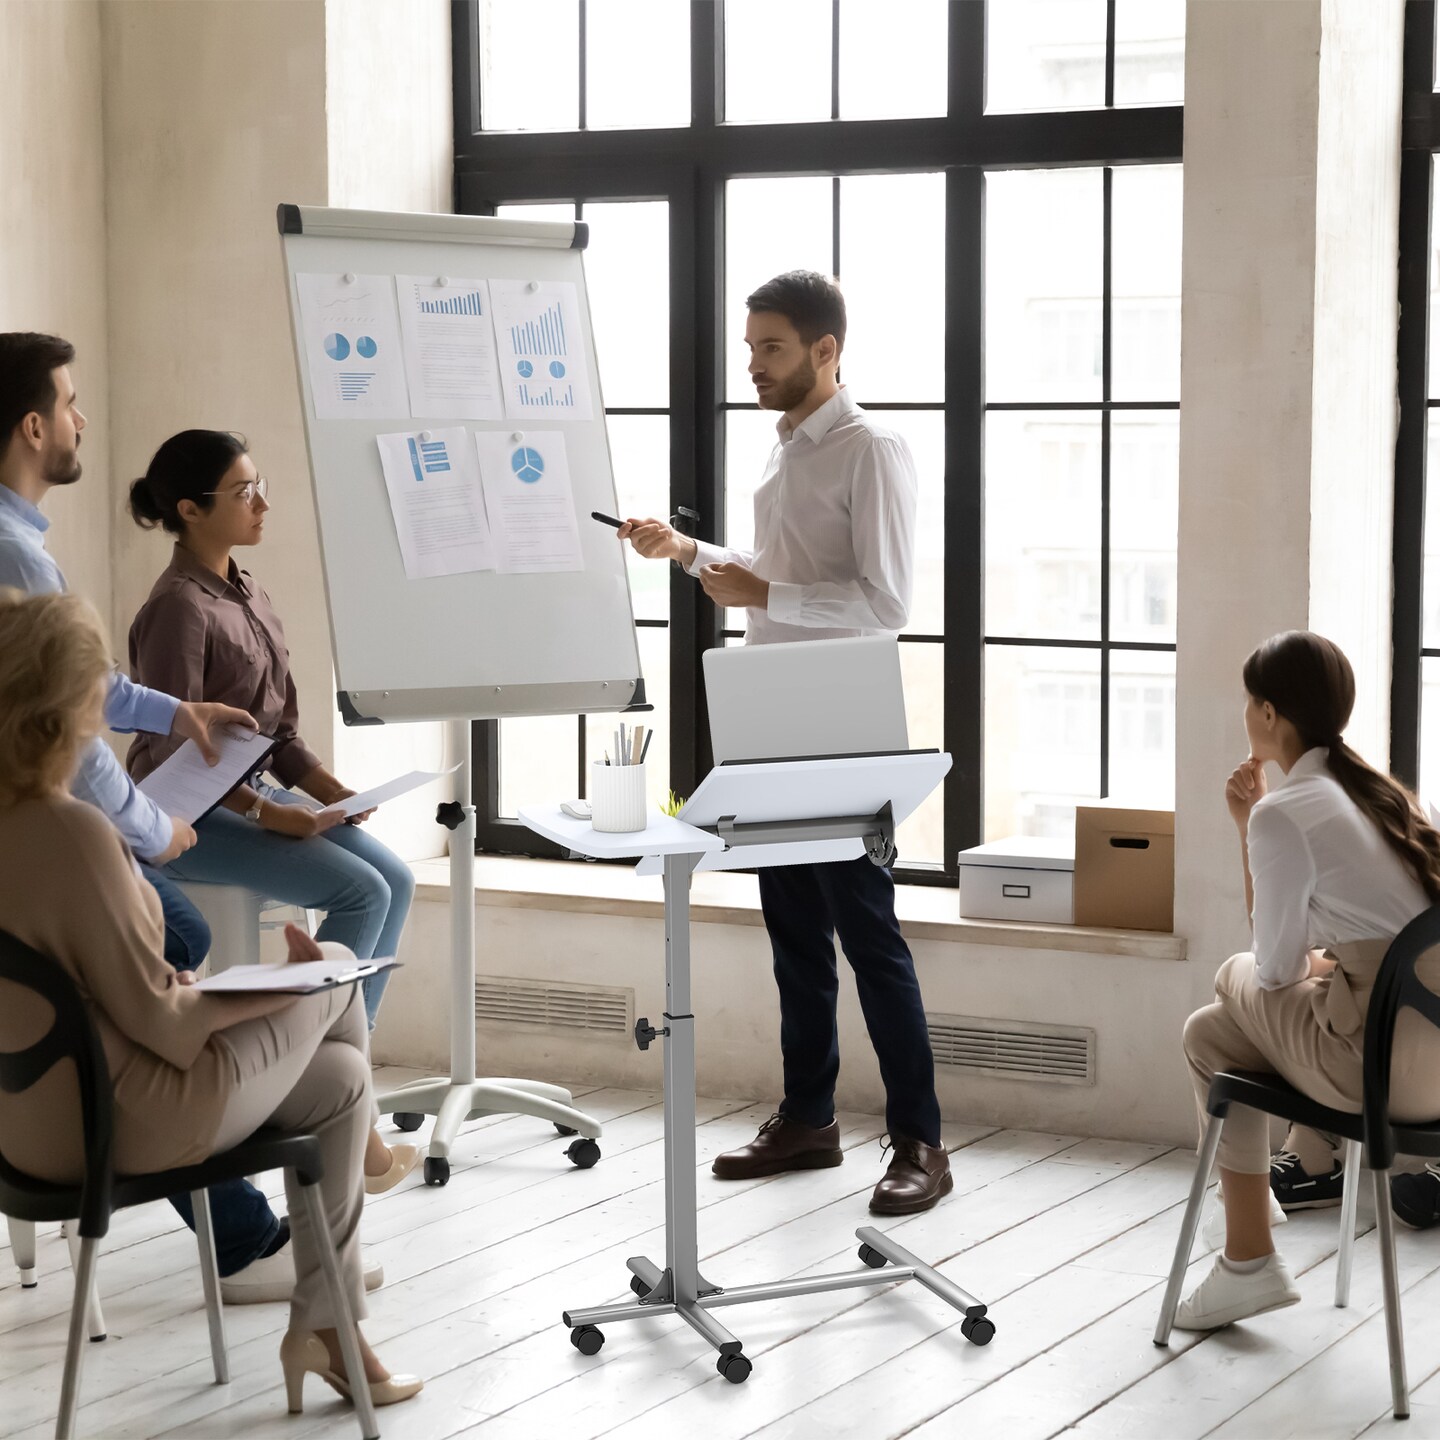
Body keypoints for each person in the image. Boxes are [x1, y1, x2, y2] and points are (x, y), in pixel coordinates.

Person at [0, 589, 422, 1412]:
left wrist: (197, 990)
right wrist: (270, 993)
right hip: (130, 1120)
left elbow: (89, 988)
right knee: (337, 965)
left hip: (27, 1128)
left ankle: (334, 1329)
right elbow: (165, 1027)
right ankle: (331, 1322)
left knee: (338, 1081)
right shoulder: (77, 832)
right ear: (70, 703)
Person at [618, 270, 950, 1214]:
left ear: (825, 350)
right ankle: (809, 1117)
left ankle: (921, 1141)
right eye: (750, 345)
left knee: (870, 935)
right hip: (770, 713)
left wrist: (762, 595)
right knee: (793, 932)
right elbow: (783, 574)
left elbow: (886, 604)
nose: (753, 364)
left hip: (846, 720)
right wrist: (688, 553)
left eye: (770, 347)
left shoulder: (871, 448)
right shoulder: (782, 452)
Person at [0, 330, 319, 1302]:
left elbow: (80, 687)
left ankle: (241, 1220)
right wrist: (151, 831)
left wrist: (171, 710)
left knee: (156, 945)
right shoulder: (15, 554)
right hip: (58, 829)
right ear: (32, 424)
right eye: (70, 400)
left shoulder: (24, 547)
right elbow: (66, 732)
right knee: (173, 930)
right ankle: (239, 1226)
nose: (81, 417)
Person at [124, 428, 420, 1195]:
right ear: (190, 510)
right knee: (361, 893)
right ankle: (318, 1094)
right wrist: (263, 813)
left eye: (259, 484)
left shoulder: (248, 591)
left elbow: (276, 732)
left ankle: (346, 1079)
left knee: (394, 877)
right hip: (180, 816)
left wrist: (332, 796)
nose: (262, 503)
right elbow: (167, 751)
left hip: (249, 798)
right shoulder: (178, 610)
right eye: (244, 491)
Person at [1176, 630, 1440, 1330]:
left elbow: (1270, 968)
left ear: (1268, 714)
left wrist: (1246, 827)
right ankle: (1244, 1251)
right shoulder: (1392, 802)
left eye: (1248, 702)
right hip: (1430, 1070)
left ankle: (1249, 1251)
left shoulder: (1284, 813)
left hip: (1371, 1073)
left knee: (1229, 982)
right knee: (1211, 1034)